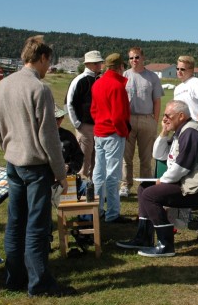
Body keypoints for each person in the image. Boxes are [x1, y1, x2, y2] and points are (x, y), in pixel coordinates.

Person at [0, 35, 76, 298]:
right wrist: (61, 174)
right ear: (42, 58)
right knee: (37, 226)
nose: (49, 67)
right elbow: (49, 138)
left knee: (15, 222)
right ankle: (39, 284)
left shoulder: (3, 85)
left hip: (14, 163)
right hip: (36, 167)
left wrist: (11, 149)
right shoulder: (40, 89)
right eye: (49, 62)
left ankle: (14, 277)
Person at [116, 100, 198, 257]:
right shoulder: (181, 131)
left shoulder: (190, 132)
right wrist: (164, 132)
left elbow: (182, 166)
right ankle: (144, 237)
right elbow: (159, 154)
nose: (164, 119)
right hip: (185, 184)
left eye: (168, 116)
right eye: (164, 116)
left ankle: (166, 245)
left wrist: (162, 180)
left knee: (149, 195)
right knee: (144, 188)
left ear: (181, 116)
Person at [90, 53, 131, 224]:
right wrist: (123, 132)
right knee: (113, 176)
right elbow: (119, 116)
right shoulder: (117, 86)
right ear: (120, 67)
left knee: (98, 174)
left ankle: (97, 209)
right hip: (113, 133)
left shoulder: (98, 83)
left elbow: (93, 110)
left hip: (99, 132)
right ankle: (112, 213)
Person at [120, 46, 164, 198]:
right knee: (126, 157)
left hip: (147, 119)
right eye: (131, 58)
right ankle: (125, 185)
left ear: (143, 58)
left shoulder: (152, 77)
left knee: (146, 157)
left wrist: (154, 121)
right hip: (128, 120)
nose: (134, 60)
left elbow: (157, 101)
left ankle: (146, 186)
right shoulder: (124, 76)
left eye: (137, 57)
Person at [66, 50, 104, 180]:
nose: (99, 65)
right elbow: (69, 103)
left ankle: (93, 187)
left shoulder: (100, 80)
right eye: (96, 63)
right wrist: (77, 124)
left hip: (99, 127)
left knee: (97, 161)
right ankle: (82, 189)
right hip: (85, 126)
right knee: (84, 162)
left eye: (99, 62)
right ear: (88, 64)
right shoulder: (79, 80)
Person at [173, 55, 198, 126]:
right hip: (180, 127)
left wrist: (197, 124)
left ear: (191, 70)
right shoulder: (177, 88)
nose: (179, 71)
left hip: (192, 126)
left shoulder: (196, 82)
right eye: (177, 69)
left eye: (182, 69)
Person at [55, 105, 84, 176]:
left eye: (61, 117)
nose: (59, 120)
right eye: (56, 118)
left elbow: (78, 157)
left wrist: (69, 167)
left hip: (64, 176)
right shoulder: (37, 136)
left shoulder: (68, 136)